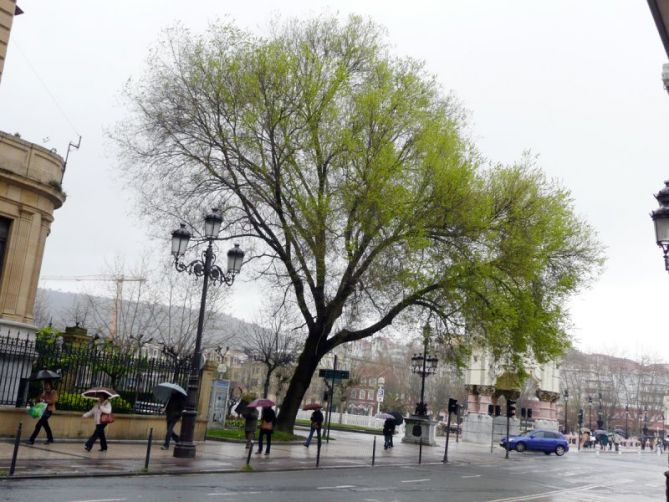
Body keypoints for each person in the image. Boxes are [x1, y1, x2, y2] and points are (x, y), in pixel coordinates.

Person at [27, 379, 58, 445]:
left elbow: (53, 401)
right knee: (46, 425)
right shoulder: (44, 392)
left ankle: (31, 440)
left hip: (48, 411)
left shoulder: (53, 392)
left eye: (47, 385)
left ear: (50, 385)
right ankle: (50, 438)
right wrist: (40, 398)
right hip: (43, 410)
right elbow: (37, 400)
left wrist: (45, 400)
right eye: (45, 385)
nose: (46, 386)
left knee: (39, 424)